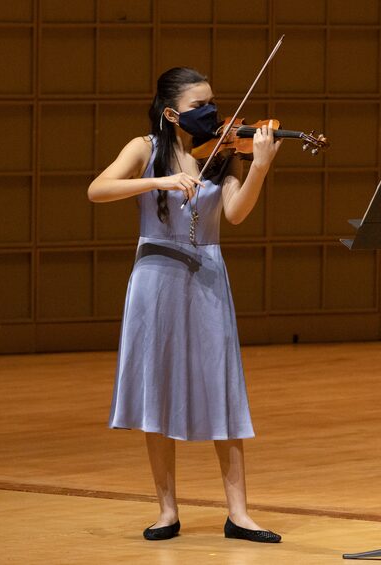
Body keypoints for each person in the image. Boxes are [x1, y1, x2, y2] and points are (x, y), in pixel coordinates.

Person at [87, 67, 282, 543]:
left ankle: (239, 513)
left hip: (208, 274)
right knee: (158, 391)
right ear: (173, 113)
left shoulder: (222, 156)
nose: (212, 113)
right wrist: (159, 182)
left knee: (223, 387)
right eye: (200, 106)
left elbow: (234, 215)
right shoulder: (145, 148)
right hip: (156, 274)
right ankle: (167, 511)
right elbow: (98, 190)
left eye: (213, 102)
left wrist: (257, 166)